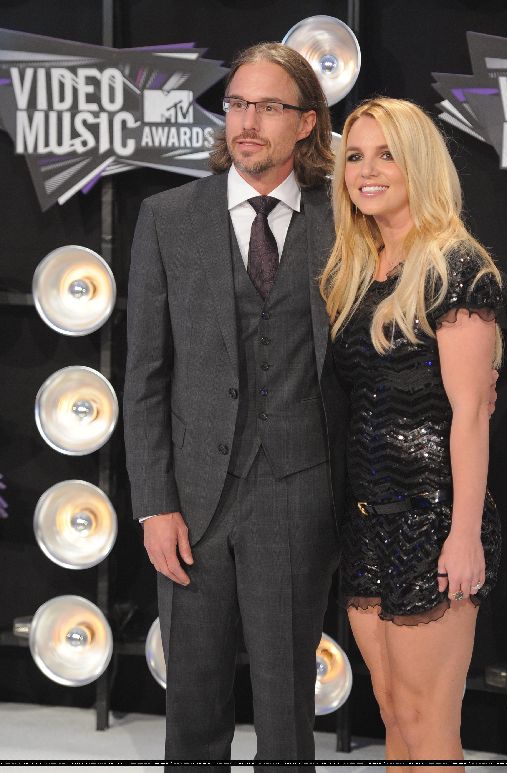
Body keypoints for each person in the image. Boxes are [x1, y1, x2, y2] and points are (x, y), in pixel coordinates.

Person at [123, 42, 348, 765]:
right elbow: (145, 374)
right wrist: (154, 504)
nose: (247, 122)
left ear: (306, 122)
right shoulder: (167, 218)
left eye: (269, 107)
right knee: (191, 706)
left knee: (287, 713)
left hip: (298, 494)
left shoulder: (343, 218)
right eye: (237, 104)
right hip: (191, 502)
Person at [320, 97, 504, 765]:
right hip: (367, 523)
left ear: (419, 164)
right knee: (395, 709)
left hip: (433, 522)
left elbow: (471, 412)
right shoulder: (354, 267)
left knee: (429, 724)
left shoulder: (457, 265)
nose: (366, 171)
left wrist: (462, 534)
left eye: (386, 155)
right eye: (355, 156)